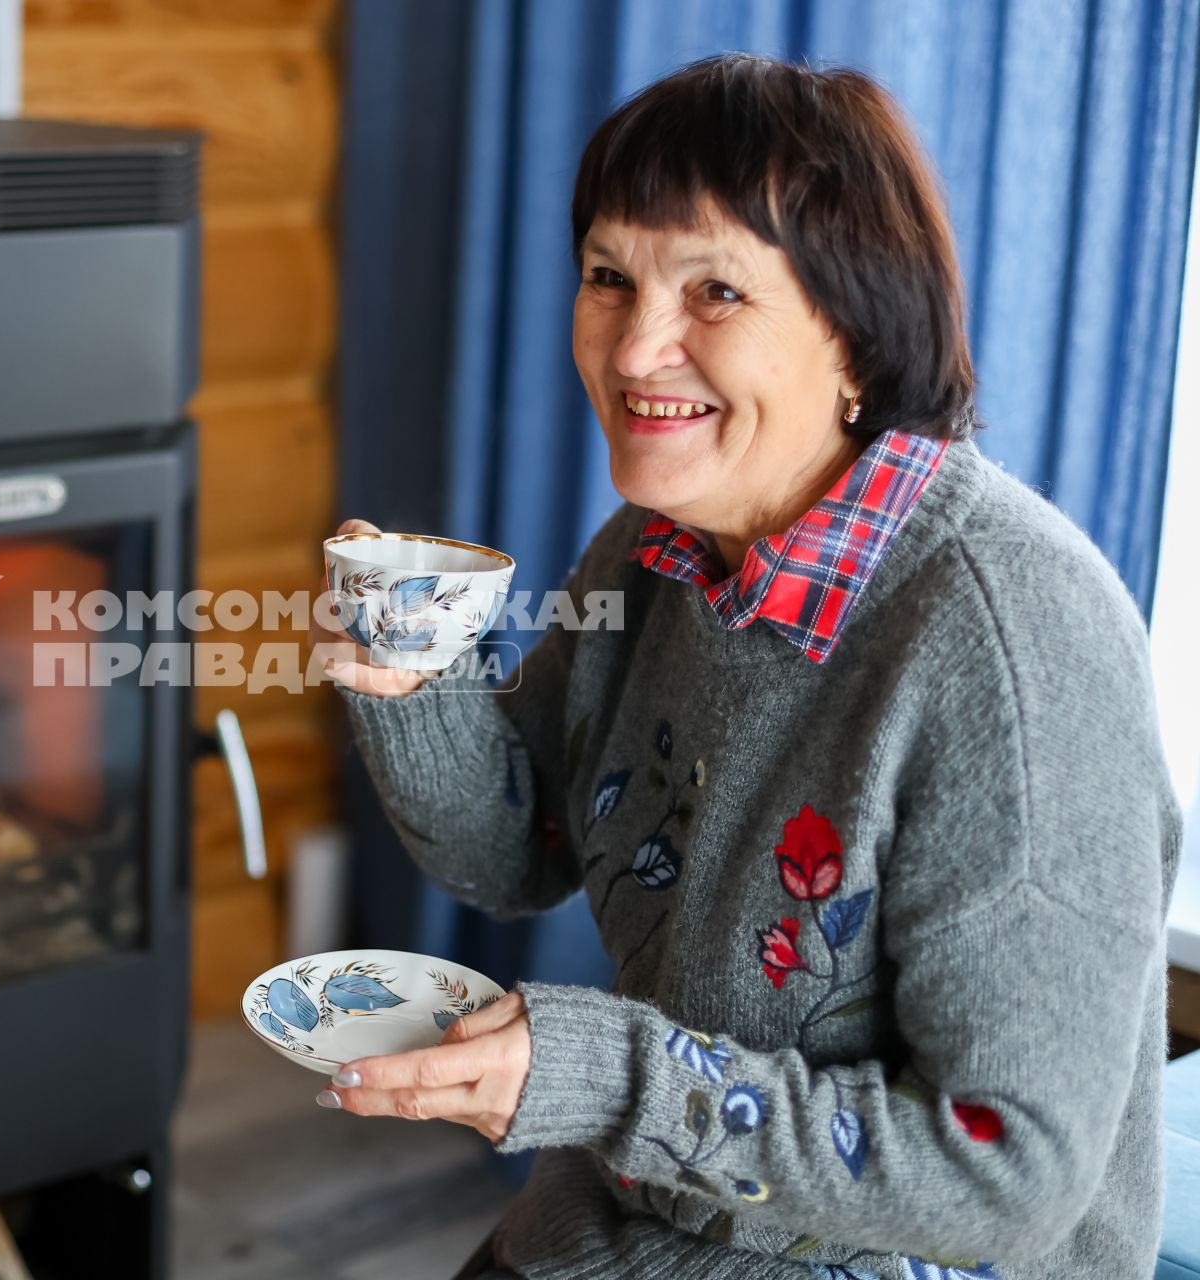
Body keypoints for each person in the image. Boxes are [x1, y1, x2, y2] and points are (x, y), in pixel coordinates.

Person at [310, 54, 1181, 1279]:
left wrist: (611, 1081)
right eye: (609, 277)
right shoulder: (658, 551)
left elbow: (1005, 1174)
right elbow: (519, 852)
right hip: (635, 1227)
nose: (636, 347)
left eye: (714, 290)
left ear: (858, 342)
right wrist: (415, 682)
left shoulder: (1011, 639)